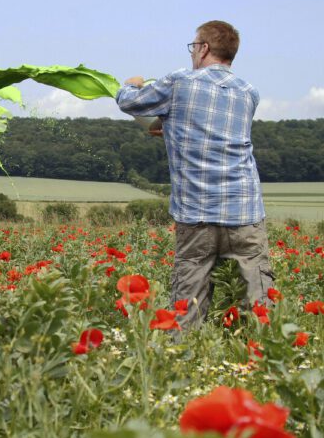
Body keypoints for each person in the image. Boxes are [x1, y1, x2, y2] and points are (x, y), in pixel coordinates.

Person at [115, 21, 273, 330]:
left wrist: (131, 83)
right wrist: (172, 128)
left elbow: (128, 102)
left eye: (194, 46)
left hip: (197, 212)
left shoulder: (180, 82)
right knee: (259, 300)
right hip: (245, 211)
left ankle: (184, 361)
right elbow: (215, 133)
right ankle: (264, 357)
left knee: (188, 303)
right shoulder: (249, 93)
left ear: (203, 48)